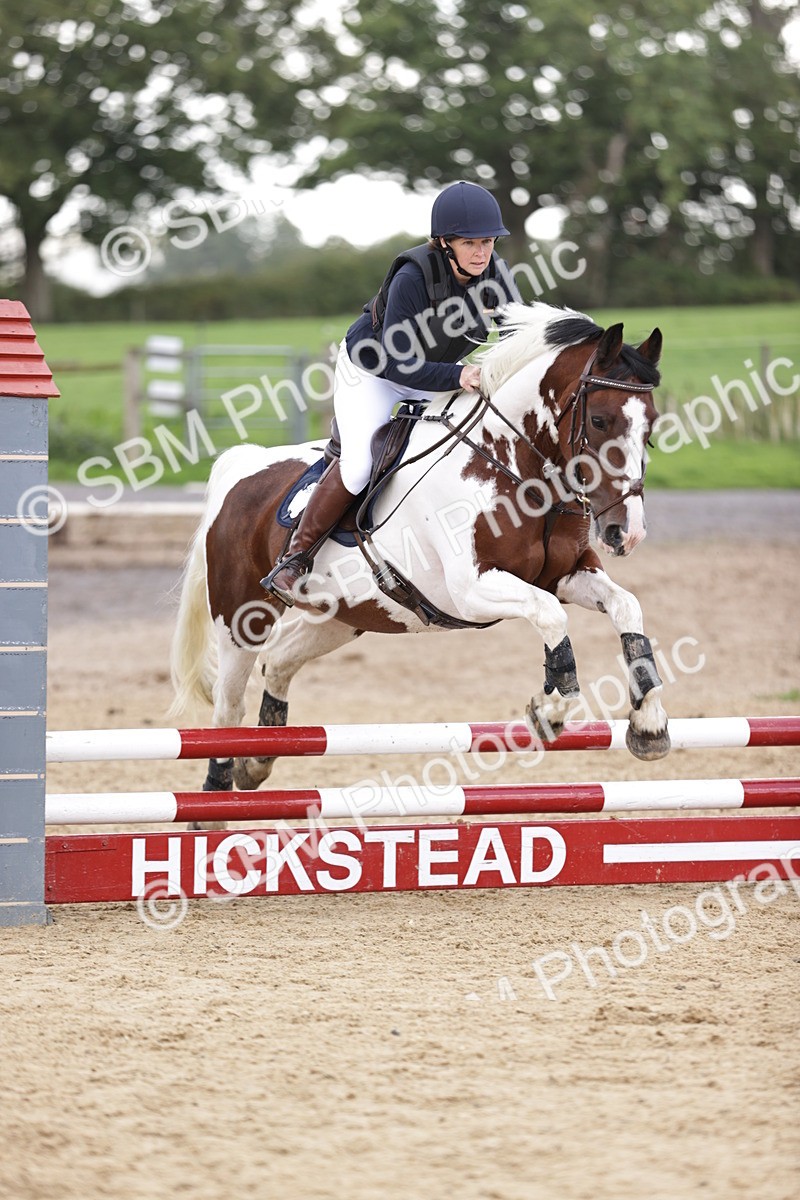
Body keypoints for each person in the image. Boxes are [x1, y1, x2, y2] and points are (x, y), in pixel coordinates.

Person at [261, 180, 523, 606]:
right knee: (360, 465)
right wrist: (459, 376)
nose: (482, 252)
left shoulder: (496, 275)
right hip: (375, 371)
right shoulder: (412, 277)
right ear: (444, 242)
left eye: (488, 242)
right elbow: (399, 364)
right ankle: (294, 559)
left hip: (437, 372)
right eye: (470, 242)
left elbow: (518, 335)